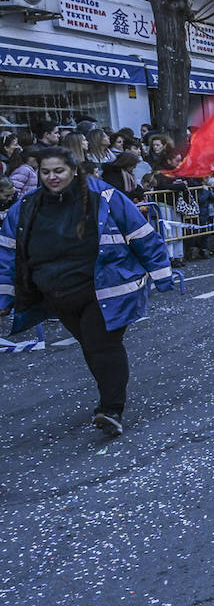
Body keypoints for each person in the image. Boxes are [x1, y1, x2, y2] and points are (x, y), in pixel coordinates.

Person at [0, 146, 174, 436]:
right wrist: (4, 297)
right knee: (92, 347)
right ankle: (109, 398)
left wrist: (162, 273)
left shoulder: (104, 196)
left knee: (102, 345)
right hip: (57, 293)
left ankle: (111, 409)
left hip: (104, 288)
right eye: (46, 172)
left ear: (73, 170)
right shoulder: (26, 206)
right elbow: (7, 252)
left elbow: (141, 234)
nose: (52, 177)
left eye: (59, 171)